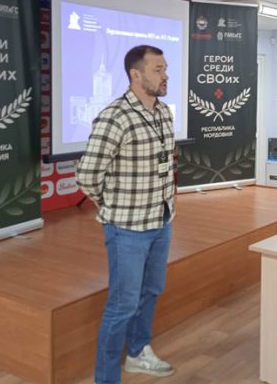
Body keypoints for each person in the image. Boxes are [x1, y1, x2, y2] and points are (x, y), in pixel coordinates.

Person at [76, 45, 176, 383]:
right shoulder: (114, 117)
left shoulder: (163, 113)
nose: (165, 75)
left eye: (165, 69)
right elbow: (87, 175)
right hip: (127, 228)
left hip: (161, 220)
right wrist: (113, 206)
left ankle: (137, 353)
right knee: (122, 305)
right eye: (158, 70)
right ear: (136, 74)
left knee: (151, 291)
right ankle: (106, 378)